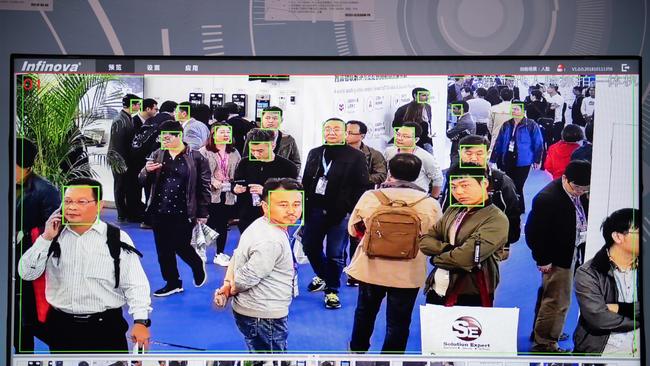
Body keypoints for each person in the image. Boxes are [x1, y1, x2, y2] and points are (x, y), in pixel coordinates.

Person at [17, 178, 151, 353]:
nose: (72, 207)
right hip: (61, 327)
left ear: (99, 205)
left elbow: (135, 284)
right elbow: (26, 273)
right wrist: (46, 238)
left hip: (106, 328)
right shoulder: (51, 237)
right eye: (68, 201)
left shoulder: (116, 238)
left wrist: (140, 321)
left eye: (81, 202)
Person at [346, 153, 441, 353]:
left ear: (390, 172)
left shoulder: (371, 197)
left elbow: (353, 230)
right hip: (407, 273)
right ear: (417, 175)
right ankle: (391, 358)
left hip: (371, 268)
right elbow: (435, 238)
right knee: (399, 321)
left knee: (364, 313)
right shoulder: (429, 203)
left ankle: (357, 353)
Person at [214, 178, 303, 353]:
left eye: (297, 204)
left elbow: (237, 255)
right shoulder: (270, 240)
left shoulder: (262, 224)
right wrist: (230, 289)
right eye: (283, 205)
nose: (292, 211)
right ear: (265, 206)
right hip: (264, 316)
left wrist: (226, 285)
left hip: (257, 312)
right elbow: (247, 277)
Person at [301, 118, 369, 309]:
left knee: (335, 253)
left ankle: (332, 290)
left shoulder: (356, 156)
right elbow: (306, 182)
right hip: (314, 209)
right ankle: (325, 276)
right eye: (328, 129)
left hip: (340, 212)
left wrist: (350, 210)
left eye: (336, 129)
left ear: (344, 133)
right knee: (309, 247)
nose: (331, 132)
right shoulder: (315, 153)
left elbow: (362, 187)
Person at [419, 164, 509, 306]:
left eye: (465, 185)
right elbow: (425, 241)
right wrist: (448, 249)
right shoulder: (453, 210)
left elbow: (464, 258)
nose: (459, 192)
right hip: (437, 288)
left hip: (471, 293)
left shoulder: (496, 219)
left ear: (484, 183)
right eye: (454, 187)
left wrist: (435, 258)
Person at [525, 160, 591, 353]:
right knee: (557, 300)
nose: (580, 191)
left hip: (573, 249)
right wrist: (543, 259)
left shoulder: (582, 193)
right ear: (565, 179)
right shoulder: (547, 198)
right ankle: (545, 342)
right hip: (556, 256)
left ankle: (543, 332)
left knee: (550, 295)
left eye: (585, 188)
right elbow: (534, 233)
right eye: (577, 187)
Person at [139, 120, 210, 297]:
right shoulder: (157, 154)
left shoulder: (196, 157)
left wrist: (202, 212)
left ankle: (196, 264)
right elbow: (141, 180)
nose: (164, 141)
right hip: (159, 210)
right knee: (163, 250)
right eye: (162, 138)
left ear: (179, 136)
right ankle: (172, 282)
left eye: (168, 137)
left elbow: (204, 187)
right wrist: (146, 171)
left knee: (181, 245)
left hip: (184, 211)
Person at [573, 208, 641, 356]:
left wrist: (620, 308)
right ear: (617, 237)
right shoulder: (588, 273)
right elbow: (599, 318)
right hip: (603, 352)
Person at [440, 135, 521, 259]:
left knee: (485, 276)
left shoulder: (500, 181)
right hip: (458, 242)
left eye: (479, 153)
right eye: (468, 153)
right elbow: (446, 208)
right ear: (460, 153)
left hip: (491, 243)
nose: (473, 158)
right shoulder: (454, 177)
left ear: (487, 153)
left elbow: (512, 213)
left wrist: (506, 242)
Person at [14, 137, 60, 352]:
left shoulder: (45, 190)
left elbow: (53, 233)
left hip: (31, 266)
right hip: (12, 265)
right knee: (15, 321)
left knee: (32, 319)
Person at [345, 120, 387, 284]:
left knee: (357, 237)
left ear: (361, 136)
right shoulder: (336, 152)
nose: (346, 135)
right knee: (339, 238)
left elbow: (381, 175)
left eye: (350, 132)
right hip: (339, 201)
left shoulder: (374, 154)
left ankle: (355, 271)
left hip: (362, 201)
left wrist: (362, 179)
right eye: (345, 131)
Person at [233, 128, 298, 233]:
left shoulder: (288, 167)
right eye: (252, 150)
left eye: (260, 151)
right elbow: (236, 182)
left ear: (272, 145)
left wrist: (266, 191)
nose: (256, 154)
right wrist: (235, 189)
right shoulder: (244, 163)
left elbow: (292, 195)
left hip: (275, 216)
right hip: (247, 215)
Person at [199, 123, 241, 266]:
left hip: (227, 193)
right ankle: (201, 250)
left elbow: (239, 172)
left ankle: (220, 253)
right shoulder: (204, 151)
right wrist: (211, 180)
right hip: (209, 193)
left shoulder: (234, 152)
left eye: (228, 132)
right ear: (213, 135)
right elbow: (198, 171)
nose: (225, 135)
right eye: (222, 132)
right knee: (208, 223)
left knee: (223, 224)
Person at [489, 101, 544, 212]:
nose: (514, 111)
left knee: (518, 185)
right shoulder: (506, 124)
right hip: (507, 158)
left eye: (517, 109)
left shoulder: (531, 125)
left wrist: (537, 160)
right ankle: (515, 207)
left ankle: (516, 209)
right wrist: (493, 158)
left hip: (524, 160)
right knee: (508, 183)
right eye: (512, 109)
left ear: (523, 111)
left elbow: (538, 143)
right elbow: (499, 142)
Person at [109, 93, 144, 223]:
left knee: (124, 185)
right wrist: (123, 163)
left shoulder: (127, 118)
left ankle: (126, 212)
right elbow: (118, 145)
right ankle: (121, 213)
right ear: (133, 104)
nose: (139, 106)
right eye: (138, 104)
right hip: (119, 159)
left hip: (123, 159)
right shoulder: (120, 120)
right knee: (120, 186)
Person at [384, 123, 443, 198]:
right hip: (392, 196)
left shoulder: (425, 157)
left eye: (405, 136)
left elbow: (437, 179)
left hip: (416, 198)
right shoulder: (389, 151)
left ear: (416, 139)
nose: (399, 138)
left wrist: (433, 198)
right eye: (398, 134)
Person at [392, 87, 433, 153]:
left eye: (427, 95)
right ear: (415, 95)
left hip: (426, 142)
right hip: (410, 144)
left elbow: (428, 123)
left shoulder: (428, 107)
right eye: (424, 95)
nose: (426, 98)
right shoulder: (403, 109)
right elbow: (396, 125)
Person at [447, 100, 476, 165]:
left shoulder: (464, 122)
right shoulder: (468, 117)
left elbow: (450, 134)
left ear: (461, 109)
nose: (452, 111)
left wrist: (450, 129)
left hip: (459, 149)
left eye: (454, 108)